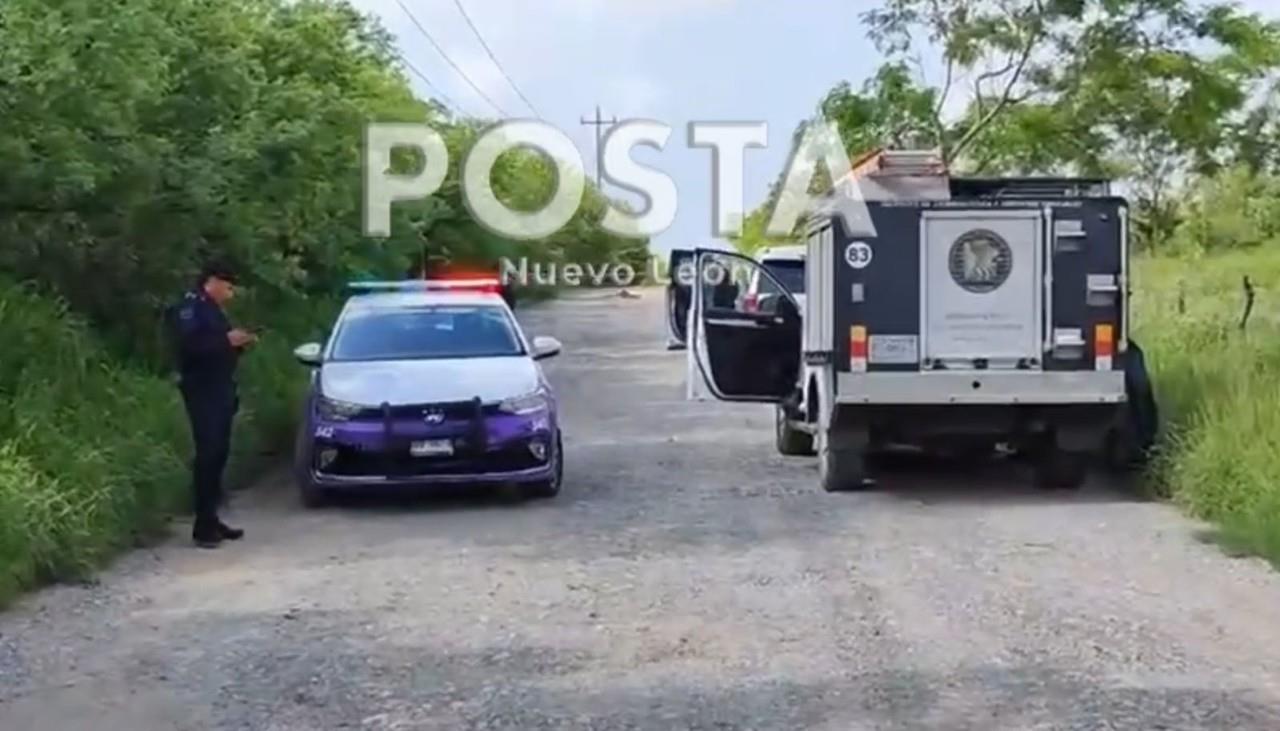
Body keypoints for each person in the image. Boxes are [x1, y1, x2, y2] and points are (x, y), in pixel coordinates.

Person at [169, 260, 257, 548]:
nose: (230, 294)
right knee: (208, 453)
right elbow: (190, 345)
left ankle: (211, 518)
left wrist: (237, 345)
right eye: (228, 287)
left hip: (220, 387)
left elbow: (216, 346)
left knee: (219, 453)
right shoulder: (191, 307)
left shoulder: (212, 309)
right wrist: (225, 341)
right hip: (201, 390)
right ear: (213, 281)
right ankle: (202, 525)